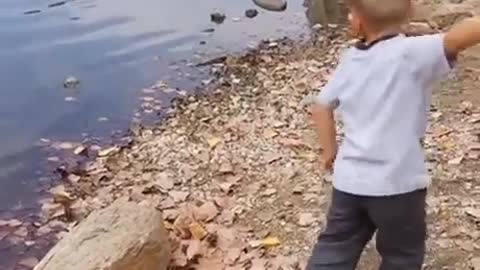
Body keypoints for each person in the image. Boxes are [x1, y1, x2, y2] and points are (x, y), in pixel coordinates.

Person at [307, 0, 480, 269]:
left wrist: (330, 151)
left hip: (350, 182)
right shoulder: (412, 53)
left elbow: (321, 107)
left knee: (336, 245)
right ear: (411, 13)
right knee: (402, 255)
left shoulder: (350, 60)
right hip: (399, 184)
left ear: (358, 23)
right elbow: (460, 37)